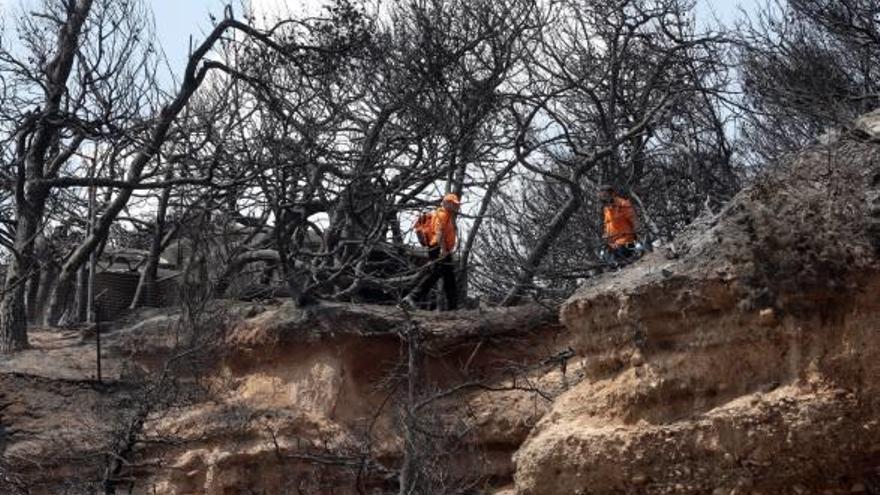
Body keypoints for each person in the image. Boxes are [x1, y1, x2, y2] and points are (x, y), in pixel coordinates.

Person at [401, 193, 461, 310]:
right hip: (438, 249)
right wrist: (442, 250)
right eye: (453, 204)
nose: (456, 206)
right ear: (447, 203)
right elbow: (439, 232)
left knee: (449, 279)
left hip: (442, 250)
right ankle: (411, 298)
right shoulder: (442, 215)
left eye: (456, 204)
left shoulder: (447, 215)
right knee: (434, 276)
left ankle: (453, 308)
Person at [599, 185, 639, 265]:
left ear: (612, 194)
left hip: (627, 241)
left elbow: (634, 221)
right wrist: (606, 237)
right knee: (606, 258)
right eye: (602, 196)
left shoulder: (623, 204)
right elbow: (608, 226)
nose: (605, 198)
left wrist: (637, 237)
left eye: (606, 196)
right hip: (614, 243)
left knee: (622, 260)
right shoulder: (606, 209)